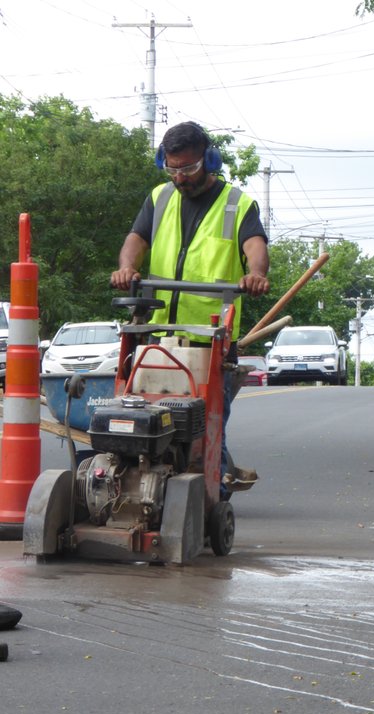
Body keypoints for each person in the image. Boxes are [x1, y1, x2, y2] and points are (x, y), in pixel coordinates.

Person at [110, 120, 270, 492]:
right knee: (143, 411)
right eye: (173, 169)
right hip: (156, 333)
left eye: (189, 168)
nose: (181, 178)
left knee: (207, 421)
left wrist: (255, 274)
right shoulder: (159, 198)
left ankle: (215, 496)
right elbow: (136, 238)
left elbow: (254, 245)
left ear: (210, 159)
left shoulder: (237, 204)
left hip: (208, 338)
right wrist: (126, 267)